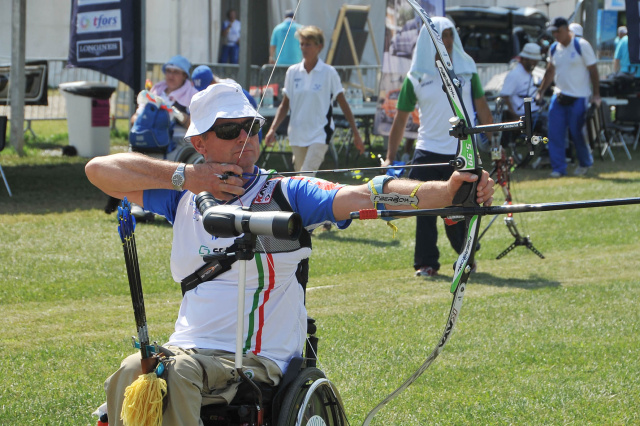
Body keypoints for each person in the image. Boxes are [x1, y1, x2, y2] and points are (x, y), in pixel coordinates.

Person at [85, 81, 495, 425]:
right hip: (187, 352)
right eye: (229, 130)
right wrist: (185, 176)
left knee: (171, 375)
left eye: (252, 127)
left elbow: (362, 196)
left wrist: (442, 192)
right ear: (199, 142)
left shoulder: (285, 194)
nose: (244, 138)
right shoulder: (183, 197)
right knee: (132, 370)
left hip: (257, 361)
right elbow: (98, 170)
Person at [382, 17, 494, 278]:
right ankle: (425, 263)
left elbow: (482, 108)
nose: (447, 41)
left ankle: (466, 257)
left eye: (450, 35)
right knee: (423, 208)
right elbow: (400, 119)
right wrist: (389, 157)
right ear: (427, 41)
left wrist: (493, 145)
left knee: (461, 209)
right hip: (427, 152)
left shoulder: (467, 71)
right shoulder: (416, 77)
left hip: (462, 152)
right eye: (441, 36)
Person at [264, 26, 365, 172]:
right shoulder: (292, 72)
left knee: (305, 177)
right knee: (302, 181)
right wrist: (272, 129)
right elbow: (285, 105)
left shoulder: (329, 72)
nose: (304, 48)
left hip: (320, 133)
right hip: (297, 134)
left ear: (319, 47)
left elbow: (343, 103)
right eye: (302, 44)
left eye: (308, 44)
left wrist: (356, 133)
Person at [536, 17, 600, 178]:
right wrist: (541, 91)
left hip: (579, 97)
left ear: (566, 29)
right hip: (559, 96)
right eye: (553, 32)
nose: (555, 35)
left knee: (577, 132)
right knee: (554, 133)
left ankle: (585, 162)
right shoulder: (554, 48)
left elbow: (593, 70)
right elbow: (550, 71)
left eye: (558, 31)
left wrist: (596, 95)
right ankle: (558, 168)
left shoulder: (581, 45)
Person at [500, 43, 545, 121]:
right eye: (533, 61)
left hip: (536, 112)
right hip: (524, 115)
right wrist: (515, 117)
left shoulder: (529, 73)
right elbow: (504, 96)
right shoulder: (515, 74)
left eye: (536, 62)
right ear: (524, 59)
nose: (535, 64)